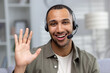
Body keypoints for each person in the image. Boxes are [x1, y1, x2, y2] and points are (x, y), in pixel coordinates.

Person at [13, 4, 100, 73]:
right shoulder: (32, 57)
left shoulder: (90, 62)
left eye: (65, 22)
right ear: (47, 28)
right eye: (53, 24)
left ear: (74, 26)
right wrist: (19, 67)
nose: (59, 30)